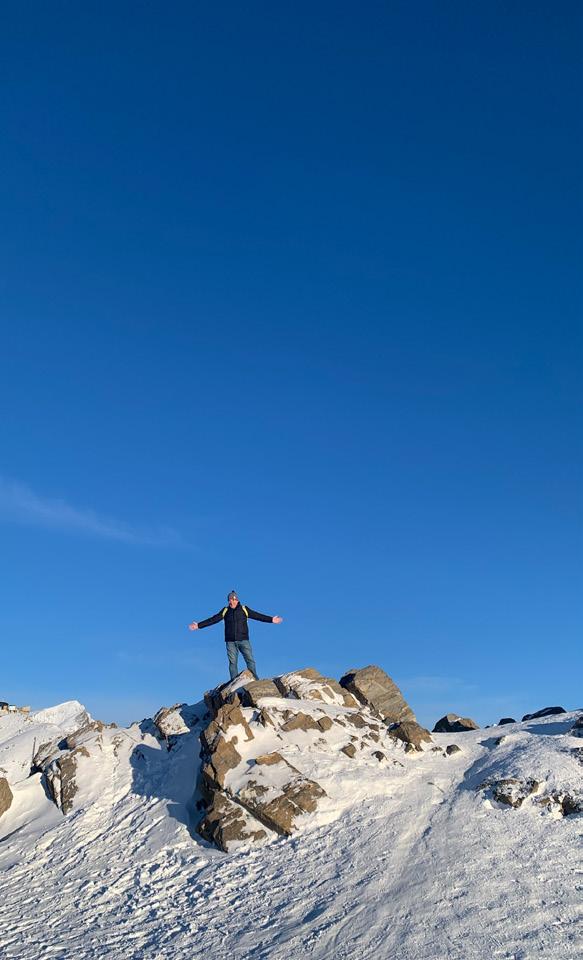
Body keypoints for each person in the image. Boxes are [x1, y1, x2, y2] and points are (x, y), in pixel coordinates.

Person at [189, 590, 283, 681]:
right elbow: (213, 619)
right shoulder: (225, 611)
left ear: (237, 600)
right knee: (233, 663)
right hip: (230, 642)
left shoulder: (244, 609)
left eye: (234, 599)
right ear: (228, 600)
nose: (233, 601)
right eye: (231, 599)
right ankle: (234, 682)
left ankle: (254, 680)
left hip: (244, 640)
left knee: (250, 660)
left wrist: (271, 620)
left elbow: (258, 616)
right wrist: (198, 625)